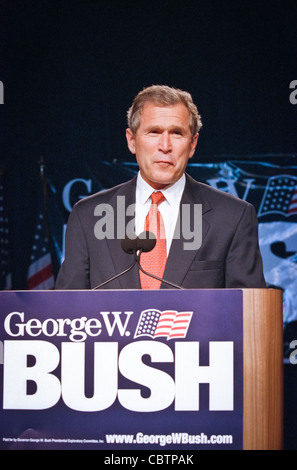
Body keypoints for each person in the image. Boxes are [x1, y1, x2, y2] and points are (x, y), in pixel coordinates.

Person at [55, 85, 266, 290]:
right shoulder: (88, 217)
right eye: (154, 132)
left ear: (192, 144)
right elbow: (67, 312)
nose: (165, 146)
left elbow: (249, 312)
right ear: (132, 141)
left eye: (176, 133)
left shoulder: (232, 217)